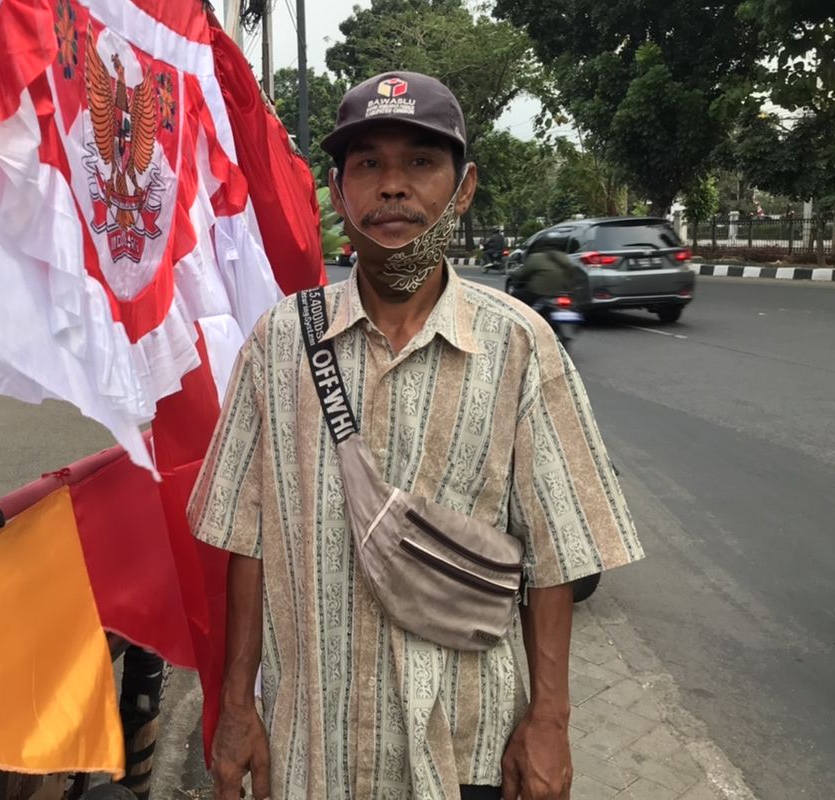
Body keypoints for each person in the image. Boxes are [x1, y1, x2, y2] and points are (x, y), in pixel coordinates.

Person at [189, 70, 643, 800]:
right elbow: (247, 540)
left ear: (462, 189)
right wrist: (238, 705)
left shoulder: (520, 346)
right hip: (314, 748)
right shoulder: (277, 344)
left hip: (467, 745)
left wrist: (550, 721)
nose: (393, 187)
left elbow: (557, 553)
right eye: (368, 164)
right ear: (339, 195)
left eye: (421, 163)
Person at [510, 238, 577, 312]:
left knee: (515, 295)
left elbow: (522, 273)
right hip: (562, 294)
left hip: (538, 293)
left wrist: (512, 273)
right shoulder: (565, 257)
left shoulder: (536, 257)